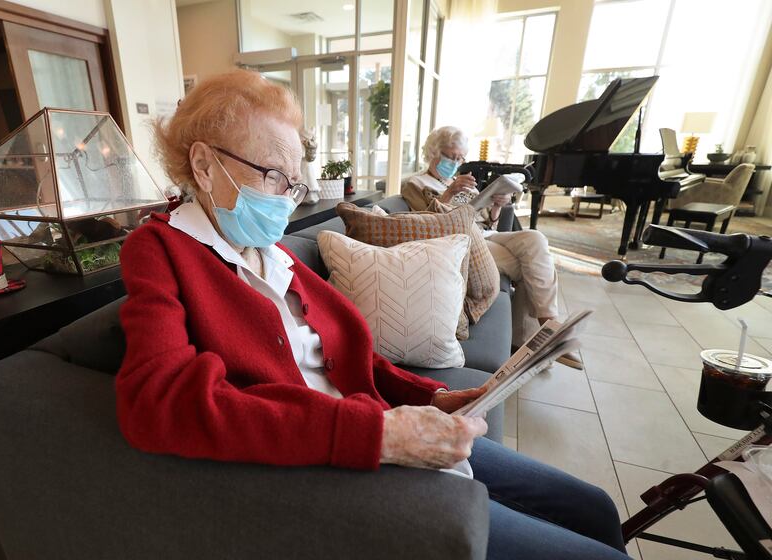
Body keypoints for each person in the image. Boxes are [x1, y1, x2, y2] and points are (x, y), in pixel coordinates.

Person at [115, 69, 628, 559]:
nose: (286, 204)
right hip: (335, 464)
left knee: (595, 507)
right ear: (204, 165)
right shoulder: (159, 249)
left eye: (293, 185)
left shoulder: (268, 248)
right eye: (274, 176)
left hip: (379, 425)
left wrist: (434, 395)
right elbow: (155, 402)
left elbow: (344, 353)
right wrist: (380, 435)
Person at [402, 126, 580, 367]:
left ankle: (549, 326)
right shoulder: (415, 183)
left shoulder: (463, 182)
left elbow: (489, 221)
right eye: (449, 155)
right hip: (462, 240)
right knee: (531, 265)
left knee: (535, 239)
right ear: (433, 152)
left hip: (485, 234)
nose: (455, 162)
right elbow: (427, 220)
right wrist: (450, 192)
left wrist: (497, 205)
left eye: (460, 158)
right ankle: (533, 339)